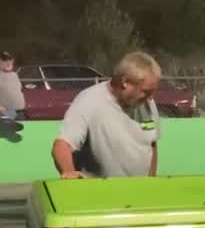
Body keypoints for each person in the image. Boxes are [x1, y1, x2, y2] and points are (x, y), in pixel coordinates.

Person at [51, 51, 163, 179]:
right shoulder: (89, 101)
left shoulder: (147, 102)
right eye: (146, 91)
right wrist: (69, 173)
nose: (151, 97)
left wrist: (151, 182)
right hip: (100, 194)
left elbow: (152, 144)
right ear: (125, 82)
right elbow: (62, 145)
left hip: (140, 193)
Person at [0, 51, 25, 129]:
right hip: (6, 113)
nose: (8, 62)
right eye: (4, 60)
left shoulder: (14, 75)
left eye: (10, 60)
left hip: (21, 112)